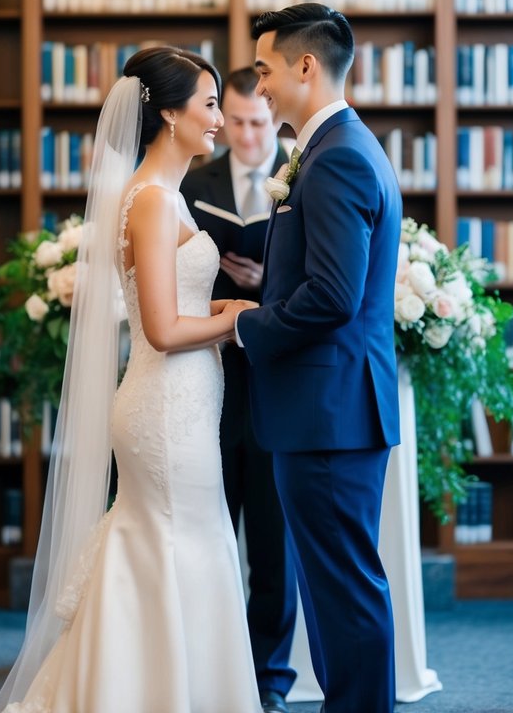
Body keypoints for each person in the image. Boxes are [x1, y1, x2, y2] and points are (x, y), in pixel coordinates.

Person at [0, 46, 261, 713]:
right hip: (164, 408)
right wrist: (235, 324)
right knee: (173, 542)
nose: (217, 121)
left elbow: (178, 305)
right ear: (168, 114)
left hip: (188, 402)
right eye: (206, 106)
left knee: (183, 543)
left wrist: (222, 307)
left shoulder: (165, 195)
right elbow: (164, 331)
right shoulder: (147, 201)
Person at [236, 3, 402, 713]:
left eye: (265, 70)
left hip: (328, 414)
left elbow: (332, 295)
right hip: (325, 410)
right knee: (337, 590)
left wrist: (248, 326)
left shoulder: (334, 158)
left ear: (306, 66)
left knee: (343, 594)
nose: (259, 87)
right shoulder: (332, 146)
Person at [182, 67, 297, 713]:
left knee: (273, 544)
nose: (250, 136)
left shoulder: (304, 174)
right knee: (209, 533)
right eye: (238, 122)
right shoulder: (193, 179)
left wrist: (266, 278)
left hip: (276, 380)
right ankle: (208, 670)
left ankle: (269, 680)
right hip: (209, 378)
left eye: (260, 122)